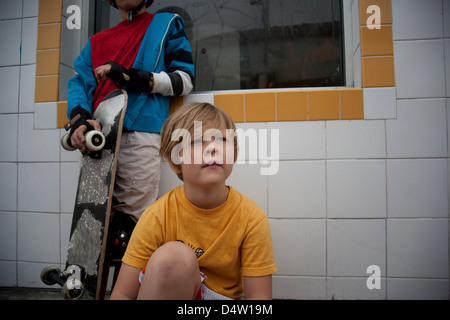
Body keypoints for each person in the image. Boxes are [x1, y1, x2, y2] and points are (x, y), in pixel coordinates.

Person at [110, 102, 277, 300]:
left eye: (223, 140)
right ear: (175, 161)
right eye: (198, 142)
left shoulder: (251, 219)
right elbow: (122, 295)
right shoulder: (157, 216)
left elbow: (259, 301)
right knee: (174, 258)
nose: (213, 149)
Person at [66, 0, 195, 233]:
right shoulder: (95, 42)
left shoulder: (167, 25)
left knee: (132, 231)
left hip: (140, 136)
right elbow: (78, 84)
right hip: (97, 139)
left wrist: (130, 77)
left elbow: (185, 80)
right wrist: (80, 120)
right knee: (93, 233)